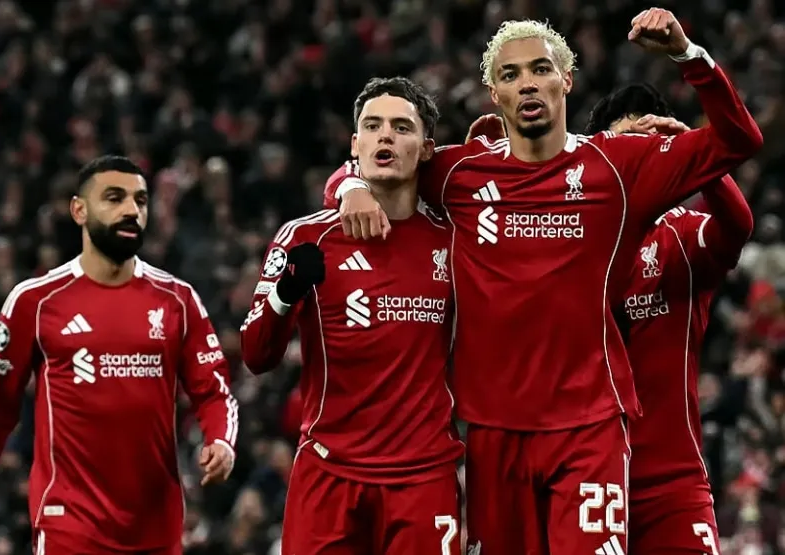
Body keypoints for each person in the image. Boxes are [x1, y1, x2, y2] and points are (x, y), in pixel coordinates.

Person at [321, 9, 763, 555]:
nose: (527, 82)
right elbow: (377, 164)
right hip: (493, 437)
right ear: (494, 95)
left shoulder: (618, 166)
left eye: (540, 69)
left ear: (566, 80)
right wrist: (350, 188)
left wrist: (687, 55)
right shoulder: (459, 174)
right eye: (510, 75)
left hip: (590, 430)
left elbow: (740, 140)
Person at [240, 77, 463, 555]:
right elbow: (256, 355)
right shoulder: (305, 237)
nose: (386, 136)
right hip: (329, 474)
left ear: (426, 149)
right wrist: (286, 291)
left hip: (425, 478)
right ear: (355, 144)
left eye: (402, 127)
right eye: (373, 126)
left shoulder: (454, 242)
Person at [0, 155, 238, 555]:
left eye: (140, 201)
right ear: (79, 210)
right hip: (69, 525)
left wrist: (222, 441)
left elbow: (214, 391)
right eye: (114, 198)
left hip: (156, 527)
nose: (131, 211)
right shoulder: (35, 302)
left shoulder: (177, 300)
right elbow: (0, 406)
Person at [585, 84, 753, 555]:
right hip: (588, 479)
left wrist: (702, 161)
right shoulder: (573, 239)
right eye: (624, 145)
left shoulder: (680, 235)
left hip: (672, 484)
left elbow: (738, 226)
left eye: (650, 144)